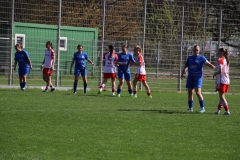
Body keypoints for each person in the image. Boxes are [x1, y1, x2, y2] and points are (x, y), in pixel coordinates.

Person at [181, 45, 216, 113]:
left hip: (198, 77)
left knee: (198, 92)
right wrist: (183, 72)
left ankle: (202, 108)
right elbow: (186, 65)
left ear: (199, 51)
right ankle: (190, 108)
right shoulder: (190, 57)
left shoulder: (202, 58)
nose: (196, 51)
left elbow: (208, 63)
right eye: (194, 50)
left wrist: (213, 66)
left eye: (197, 50)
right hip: (190, 76)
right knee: (190, 92)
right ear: (192, 50)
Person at [213, 48, 230, 115]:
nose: (217, 53)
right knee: (221, 96)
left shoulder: (220, 60)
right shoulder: (226, 60)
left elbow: (220, 71)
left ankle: (227, 110)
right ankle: (218, 110)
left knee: (222, 97)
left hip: (221, 80)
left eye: (218, 52)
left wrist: (215, 73)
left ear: (222, 53)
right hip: (226, 80)